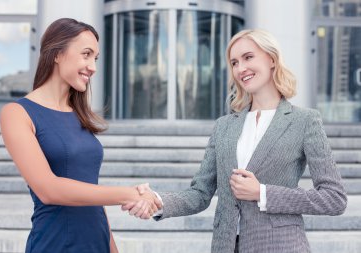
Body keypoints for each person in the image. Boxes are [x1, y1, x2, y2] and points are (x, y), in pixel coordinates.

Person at [122, 29, 347, 253]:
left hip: (281, 246)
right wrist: (157, 201)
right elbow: (199, 194)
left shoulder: (305, 120)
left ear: (271, 59)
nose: (241, 68)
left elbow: (334, 198)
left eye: (248, 57)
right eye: (234, 63)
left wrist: (263, 193)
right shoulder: (224, 126)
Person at [0, 18, 161, 253]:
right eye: (86, 54)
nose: (93, 67)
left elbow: (90, 193)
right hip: (55, 245)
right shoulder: (17, 113)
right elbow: (48, 189)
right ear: (57, 53)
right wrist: (129, 194)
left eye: (95, 58)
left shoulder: (79, 116)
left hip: (97, 243)